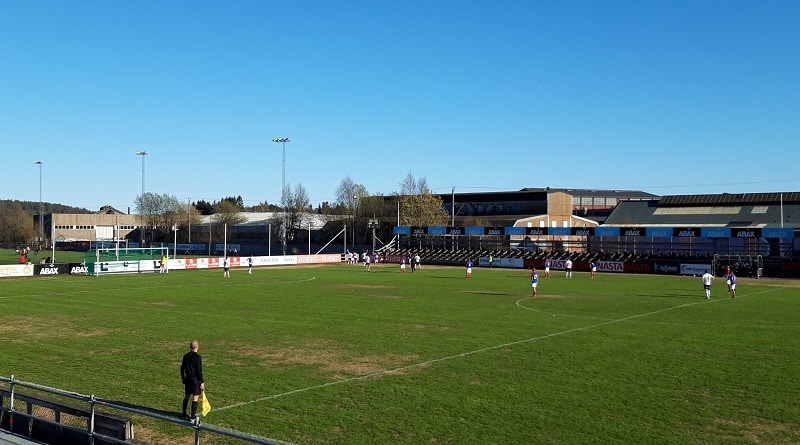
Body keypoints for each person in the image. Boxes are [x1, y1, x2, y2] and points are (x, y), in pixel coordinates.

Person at [180, 340, 205, 421]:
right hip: (195, 381)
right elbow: (199, 371)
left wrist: (183, 378)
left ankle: (183, 414)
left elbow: (182, 368)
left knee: (186, 396)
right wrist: (201, 382)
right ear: (197, 347)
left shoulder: (186, 356)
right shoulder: (198, 358)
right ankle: (193, 417)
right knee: (195, 398)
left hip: (188, 380)